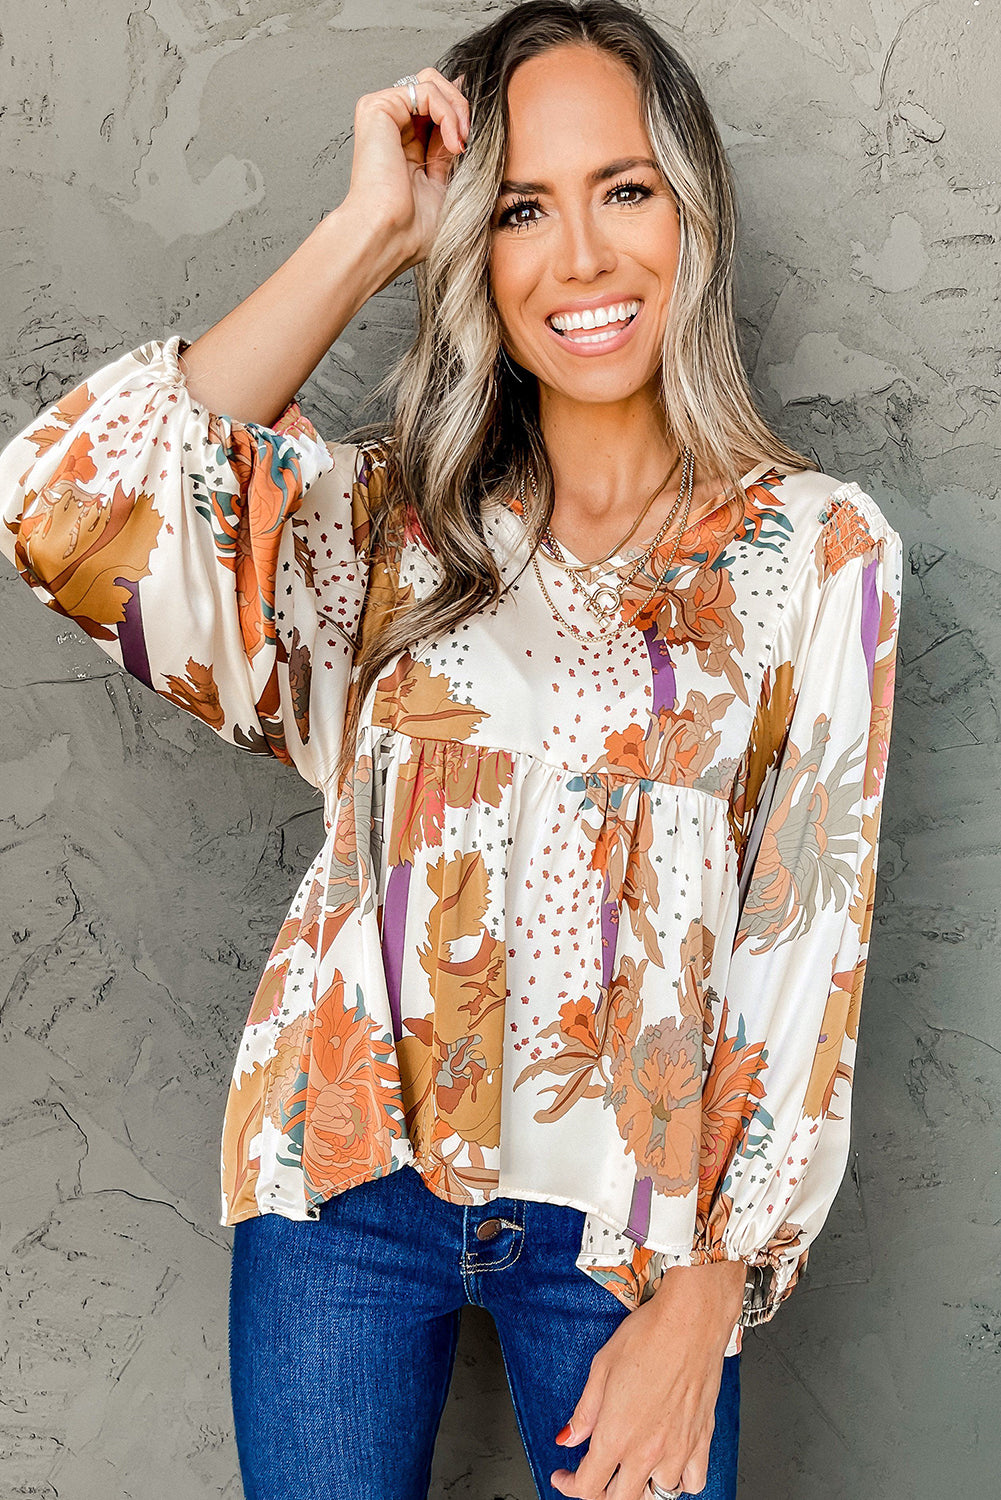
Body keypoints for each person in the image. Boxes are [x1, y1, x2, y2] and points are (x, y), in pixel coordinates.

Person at [0, 1, 903, 1496]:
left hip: (630, 1236)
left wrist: (707, 1298)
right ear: (476, 247)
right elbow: (64, 509)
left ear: (693, 210)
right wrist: (371, 229)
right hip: (339, 1194)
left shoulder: (818, 555)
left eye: (625, 190)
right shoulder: (390, 537)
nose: (581, 258)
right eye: (521, 209)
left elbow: (805, 951)